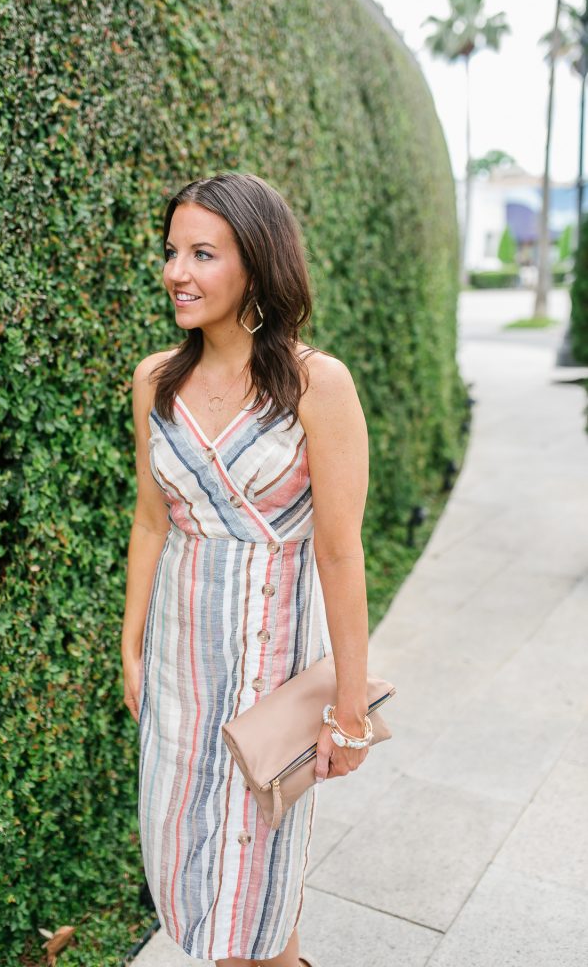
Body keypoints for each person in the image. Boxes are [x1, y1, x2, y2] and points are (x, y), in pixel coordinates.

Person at [121, 172, 370, 967]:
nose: (176, 272)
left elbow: (339, 551)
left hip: (271, 676)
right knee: (194, 882)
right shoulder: (156, 380)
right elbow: (150, 520)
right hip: (178, 668)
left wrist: (351, 708)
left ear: (256, 265)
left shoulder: (315, 384)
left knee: (256, 900)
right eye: (170, 252)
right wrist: (129, 649)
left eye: (202, 253)